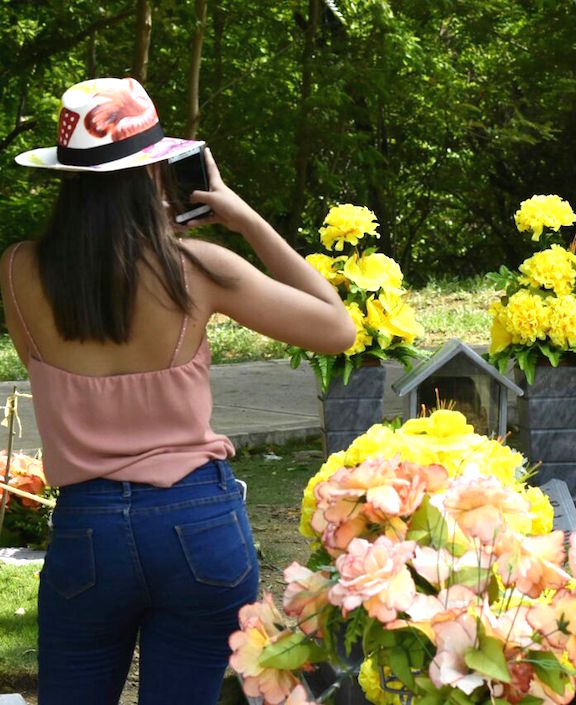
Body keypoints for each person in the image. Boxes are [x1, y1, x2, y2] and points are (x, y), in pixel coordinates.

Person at [4, 77, 356, 705]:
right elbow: (337, 327)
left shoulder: (18, 271)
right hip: (198, 525)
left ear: (70, 177)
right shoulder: (195, 268)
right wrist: (242, 217)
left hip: (89, 532)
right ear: (153, 173)